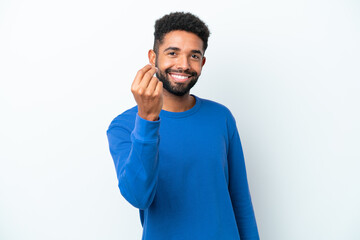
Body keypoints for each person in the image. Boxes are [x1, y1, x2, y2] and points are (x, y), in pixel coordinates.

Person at [107, 12, 260, 240]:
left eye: (194, 56)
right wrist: (148, 119)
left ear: (202, 62)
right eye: (172, 53)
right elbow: (138, 196)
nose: (184, 65)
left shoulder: (221, 117)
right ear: (153, 57)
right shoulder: (125, 125)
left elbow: (240, 200)